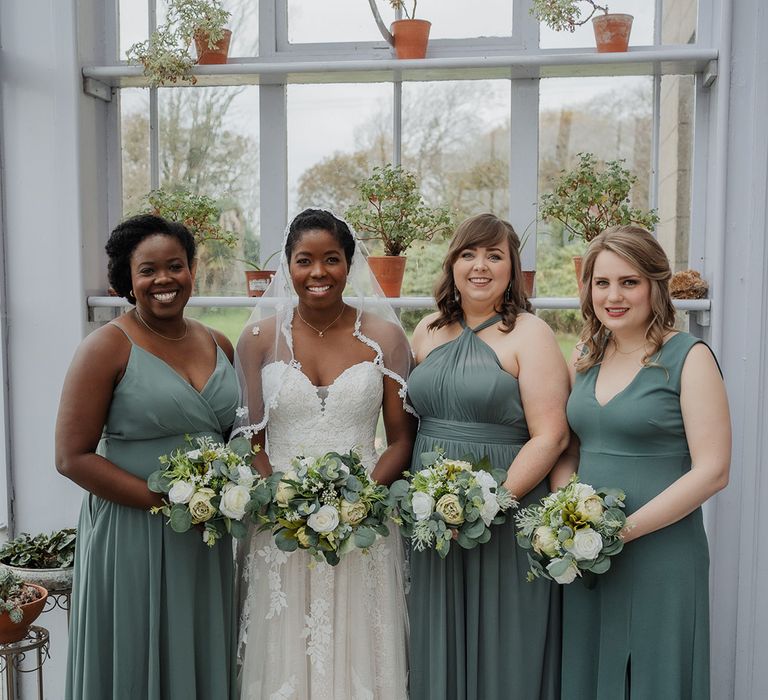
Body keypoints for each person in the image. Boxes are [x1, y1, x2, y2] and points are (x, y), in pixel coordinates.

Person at [234, 209, 417, 699]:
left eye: (331, 259)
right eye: (304, 260)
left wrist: (360, 503)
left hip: (365, 523)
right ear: (287, 267)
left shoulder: (384, 338)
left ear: (349, 264)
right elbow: (252, 439)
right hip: (279, 523)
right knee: (285, 647)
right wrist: (279, 499)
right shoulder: (256, 340)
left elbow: (401, 440)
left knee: (361, 647)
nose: (318, 272)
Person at [55, 214, 239, 699]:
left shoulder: (218, 343)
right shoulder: (105, 347)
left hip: (203, 532)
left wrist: (222, 494)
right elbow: (72, 457)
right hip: (131, 532)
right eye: (148, 270)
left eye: (175, 266)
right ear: (127, 280)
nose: (164, 280)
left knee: (197, 644)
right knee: (136, 651)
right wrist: (165, 504)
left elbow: (234, 434)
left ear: (192, 271)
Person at [551, 225, 731, 699]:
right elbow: (570, 449)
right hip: (588, 554)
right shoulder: (586, 354)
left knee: (654, 678)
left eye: (629, 282)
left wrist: (617, 531)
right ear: (587, 289)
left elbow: (713, 470)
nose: (614, 295)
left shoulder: (688, 357)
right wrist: (566, 515)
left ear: (656, 285)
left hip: (662, 555)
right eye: (602, 282)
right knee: (589, 673)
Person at [407, 213, 570, 700]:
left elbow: (551, 436)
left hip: (505, 509)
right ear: (453, 264)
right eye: (469, 254)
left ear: (512, 268)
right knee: (436, 631)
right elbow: (414, 421)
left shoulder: (530, 334)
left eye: (494, 256)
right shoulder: (426, 330)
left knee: (505, 638)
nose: (480, 266)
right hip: (433, 515)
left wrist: (489, 505)